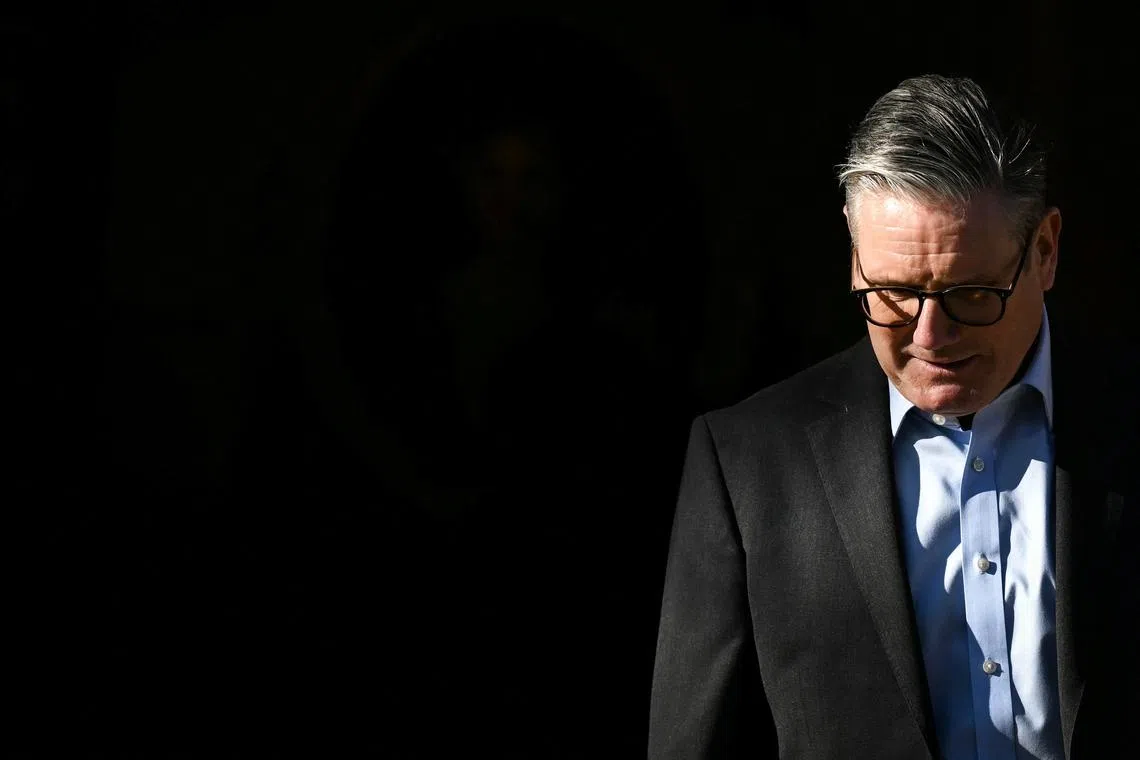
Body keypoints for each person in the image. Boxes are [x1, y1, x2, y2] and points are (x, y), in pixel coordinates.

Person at [649, 74, 1136, 759]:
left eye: (970, 293)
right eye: (894, 292)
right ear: (854, 256)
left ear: (1046, 251)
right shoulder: (747, 463)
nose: (930, 335)